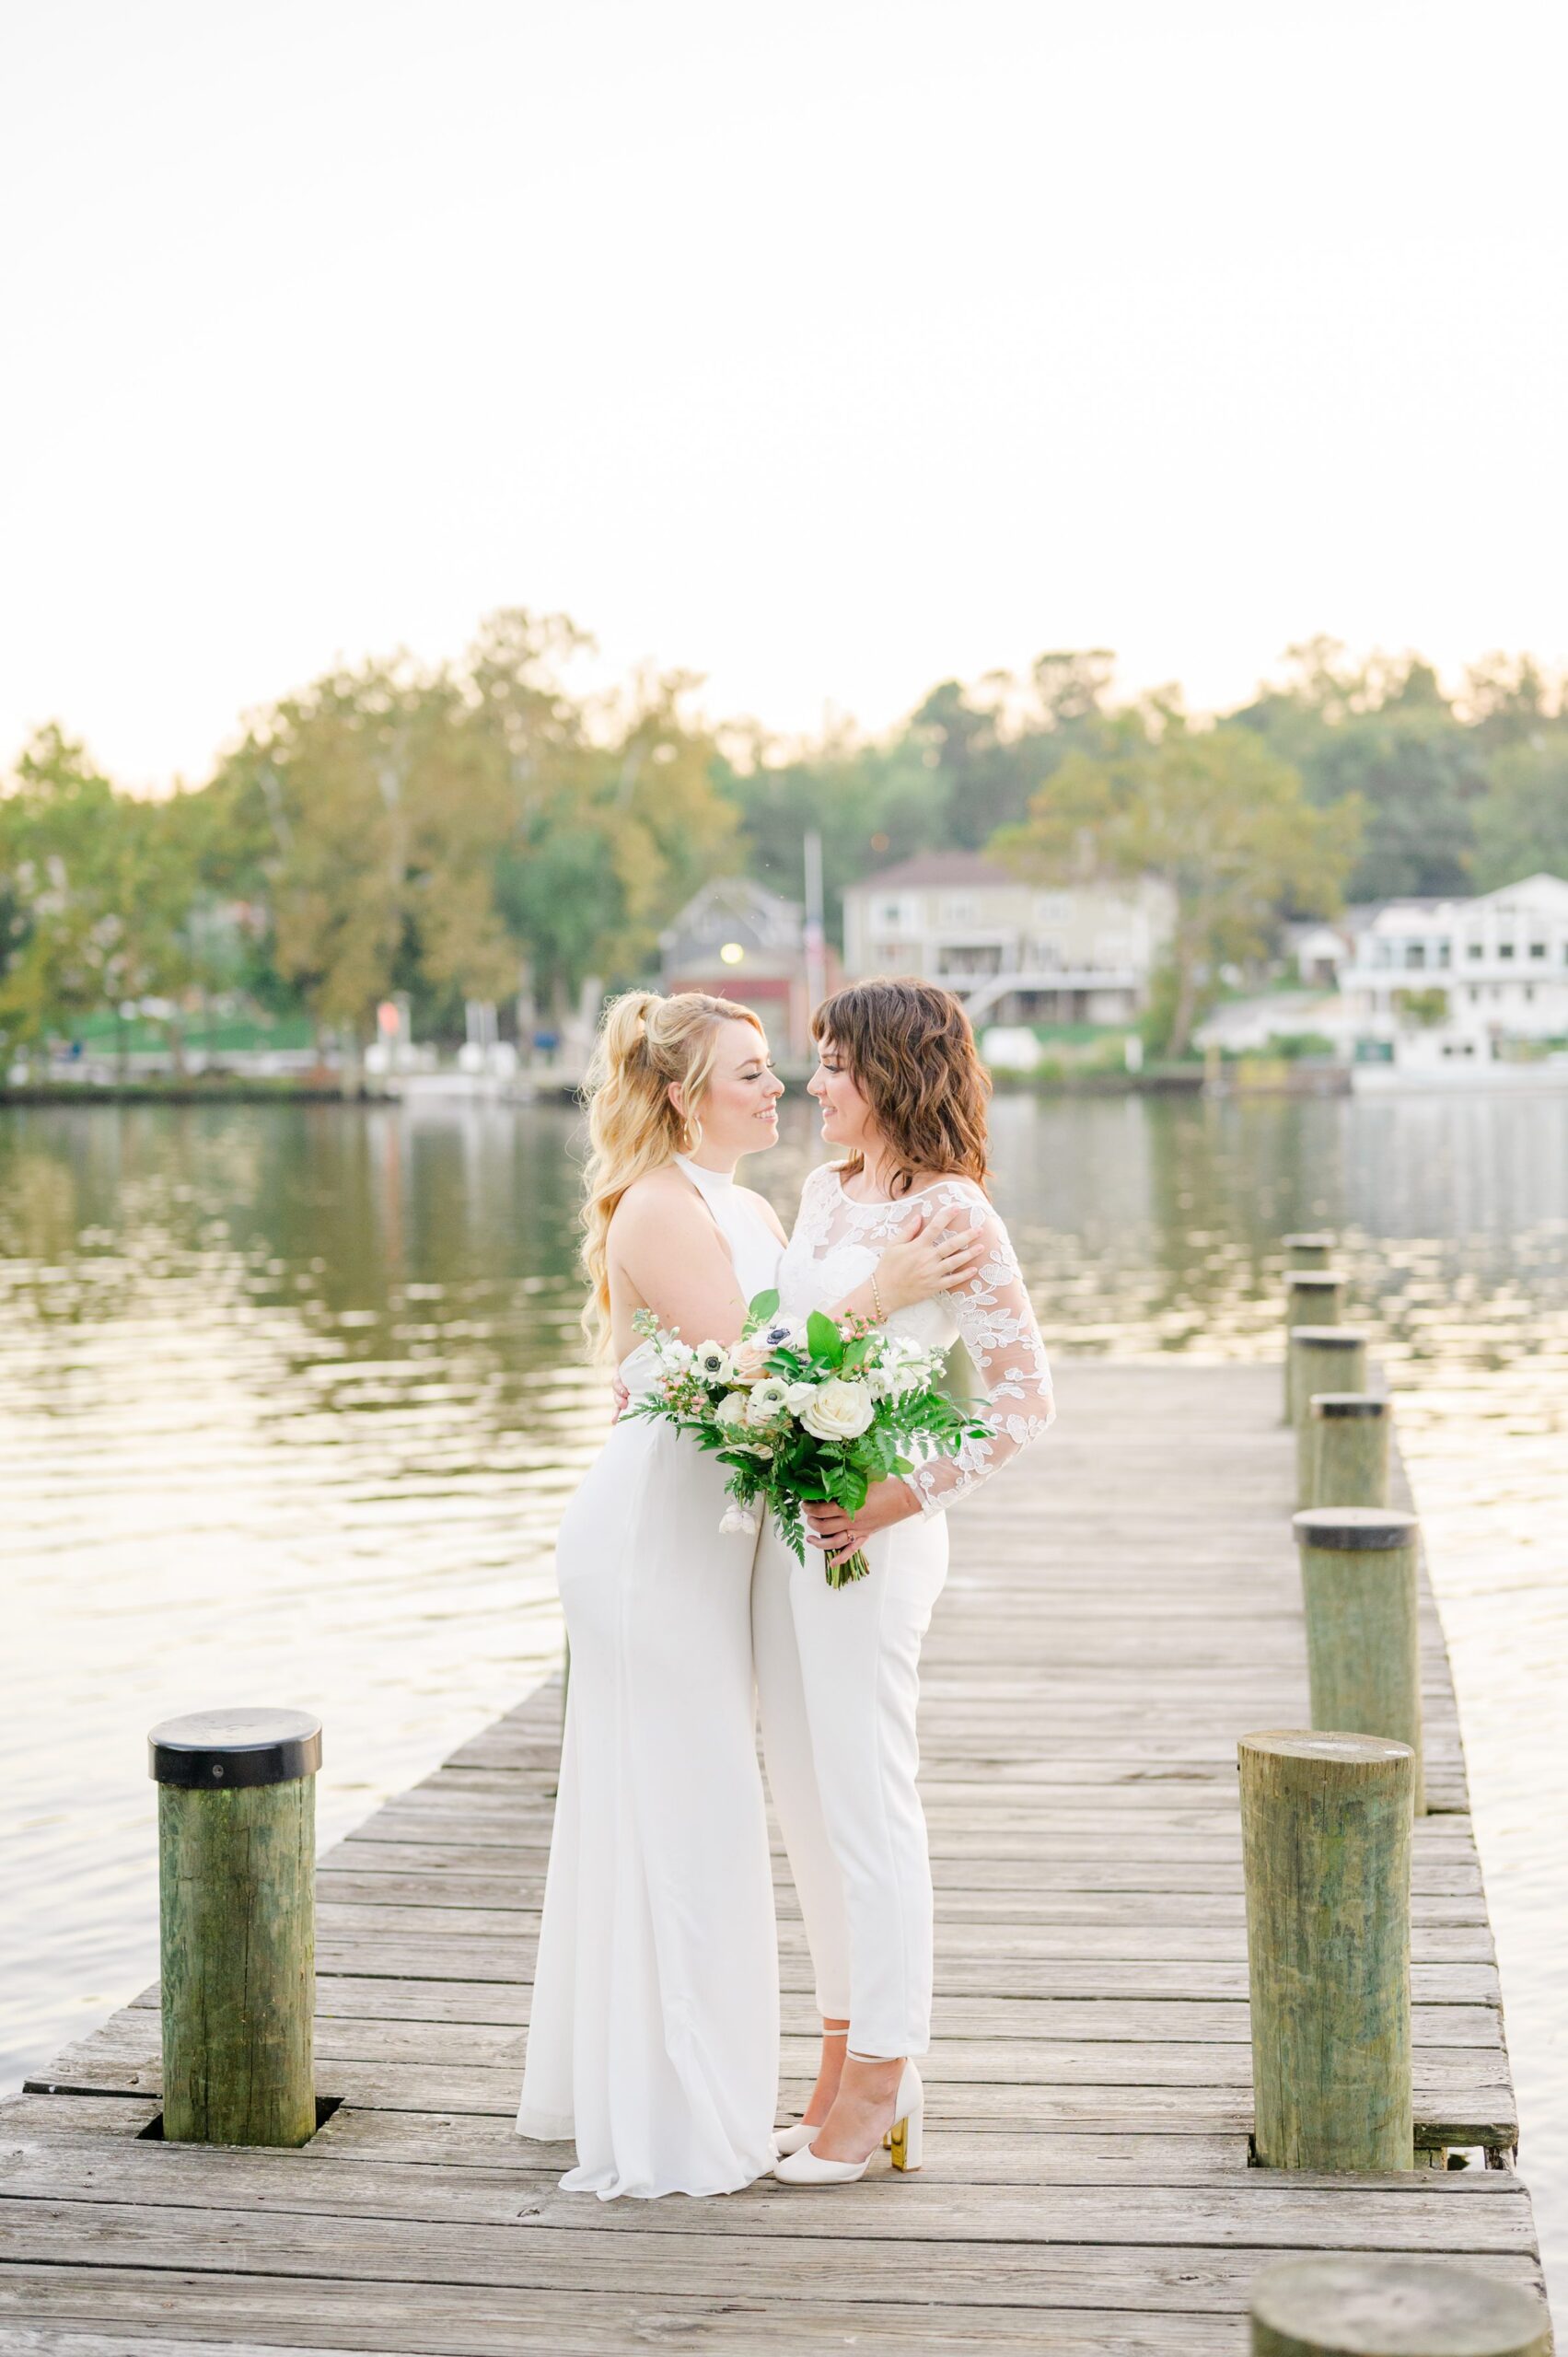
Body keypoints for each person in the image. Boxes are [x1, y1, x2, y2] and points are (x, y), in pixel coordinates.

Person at [516, 987, 984, 2199]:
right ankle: (674, 2108)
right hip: (653, 1542)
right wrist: (881, 1292)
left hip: (729, 1535)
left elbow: (794, 1362)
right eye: (750, 1071)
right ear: (680, 1096)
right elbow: (751, 1367)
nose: (779, 1088)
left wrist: (895, 1450)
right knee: (685, 1809)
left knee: (721, 1803)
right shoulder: (661, 1210)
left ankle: (790, 2084)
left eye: (787, 1069)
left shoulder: (760, 1201)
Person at [758, 978, 1055, 2187]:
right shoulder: (823, 1195)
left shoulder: (956, 1219)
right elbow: (780, 1351)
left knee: (871, 1805)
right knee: (813, 1808)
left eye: (833, 1064)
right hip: (797, 1527)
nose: (813, 1084)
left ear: (891, 1072)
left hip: (876, 1541)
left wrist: (891, 1497)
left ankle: (887, 2080)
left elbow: (1024, 1408)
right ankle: (837, 2064)